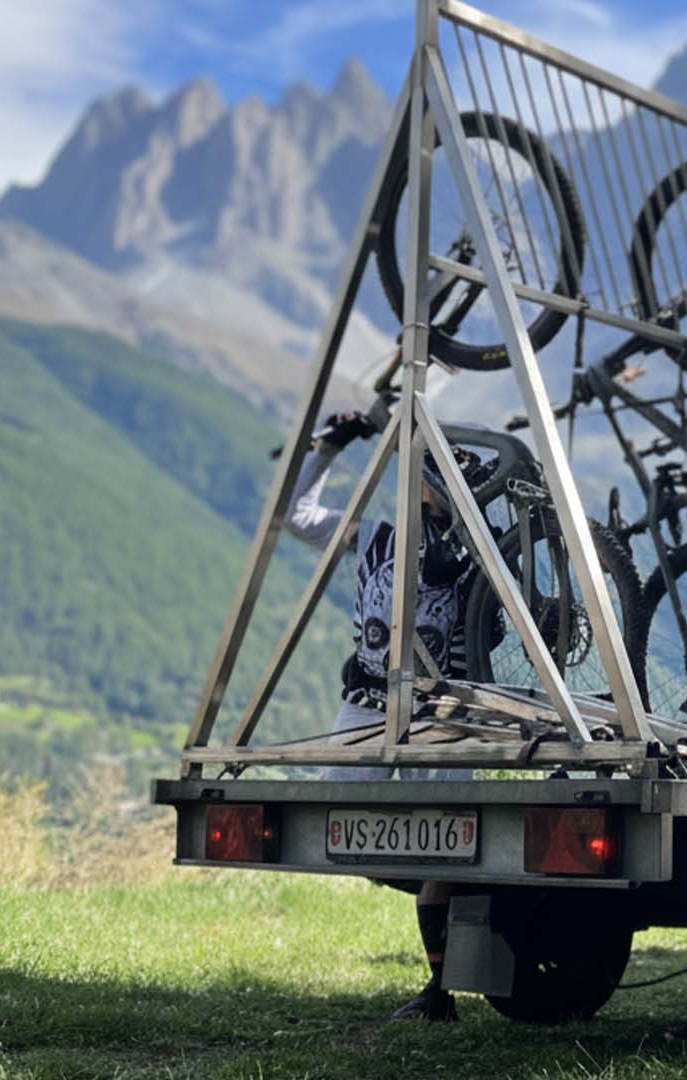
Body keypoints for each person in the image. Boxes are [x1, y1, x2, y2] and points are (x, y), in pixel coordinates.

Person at [286, 408, 490, 1022]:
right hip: (367, 704)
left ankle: (439, 988)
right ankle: (439, 937)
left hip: (445, 716)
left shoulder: (481, 559)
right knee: (334, 822)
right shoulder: (376, 539)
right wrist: (328, 447)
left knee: (457, 849)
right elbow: (295, 515)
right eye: (429, 483)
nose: (431, 496)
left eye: (440, 485)